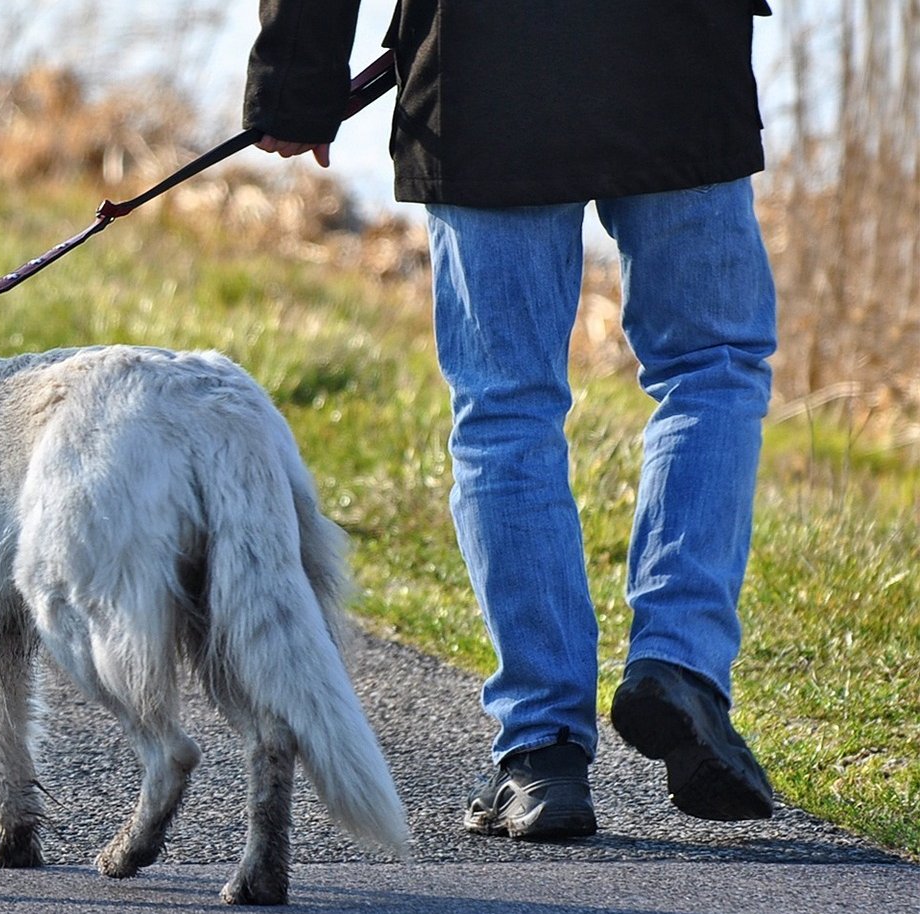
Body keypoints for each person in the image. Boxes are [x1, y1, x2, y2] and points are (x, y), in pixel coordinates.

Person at [243, 0, 779, 839]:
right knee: (710, 368)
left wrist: (294, 78)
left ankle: (542, 753)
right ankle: (679, 664)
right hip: (675, 51)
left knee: (506, 407)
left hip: (484, 69)